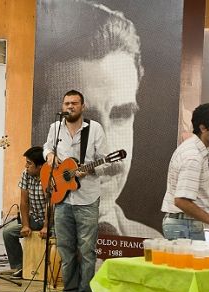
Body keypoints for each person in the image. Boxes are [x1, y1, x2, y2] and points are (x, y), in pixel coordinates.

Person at [32, 0, 159, 238]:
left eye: (121, 115)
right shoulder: (25, 247)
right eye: (83, 122)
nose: (108, 154)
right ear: (37, 126)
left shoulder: (151, 246)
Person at [45, 90, 113, 292]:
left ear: (83, 106)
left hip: (87, 197)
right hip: (61, 196)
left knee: (86, 248)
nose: (70, 107)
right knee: (65, 245)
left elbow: (105, 161)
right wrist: (49, 156)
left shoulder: (94, 129)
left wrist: (90, 171)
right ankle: (69, 290)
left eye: (74, 103)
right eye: (66, 103)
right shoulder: (55, 128)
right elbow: (47, 147)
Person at [159, 103, 209, 292]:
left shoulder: (199, 152)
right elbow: (182, 200)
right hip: (185, 225)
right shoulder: (192, 157)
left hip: (186, 225)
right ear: (203, 128)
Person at [2, 147, 48, 279]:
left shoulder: (50, 176)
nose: (26, 166)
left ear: (40, 166)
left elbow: (52, 204)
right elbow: (24, 202)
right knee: (8, 232)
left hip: (52, 221)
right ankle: (21, 266)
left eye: (29, 163)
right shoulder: (26, 174)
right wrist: (25, 225)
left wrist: (46, 226)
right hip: (34, 219)